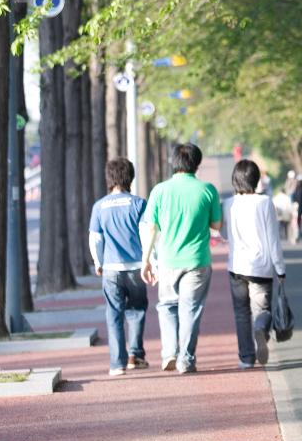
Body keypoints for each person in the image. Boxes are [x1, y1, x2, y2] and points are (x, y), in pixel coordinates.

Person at [140, 143, 222, 374]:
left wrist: (146, 260)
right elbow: (216, 225)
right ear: (197, 163)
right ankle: (185, 359)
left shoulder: (159, 191)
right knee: (190, 310)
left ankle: (169, 354)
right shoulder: (207, 190)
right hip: (197, 260)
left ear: (173, 162)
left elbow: (151, 228)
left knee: (167, 306)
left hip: (167, 260)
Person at [222, 159, 285, 369]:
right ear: (256, 179)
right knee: (262, 310)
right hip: (261, 267)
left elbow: (222, 233)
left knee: (241, 313)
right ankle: (260, 329)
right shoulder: (264, 202)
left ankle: (246, 358)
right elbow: (273, 238)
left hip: (236, 266)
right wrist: (280, 268)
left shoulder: (228, 204)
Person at [88, 156, 149, 378]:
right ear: (130, 177)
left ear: (109, 178)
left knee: (114, 313)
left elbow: (95, 238)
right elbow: (146, 233)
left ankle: (117, 363)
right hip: (136, 267)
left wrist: (98, 262)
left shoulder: (99, 206)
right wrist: (150, 261)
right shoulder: (139, 204)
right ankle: (135, 354)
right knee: (137, 309)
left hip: (111, 268)